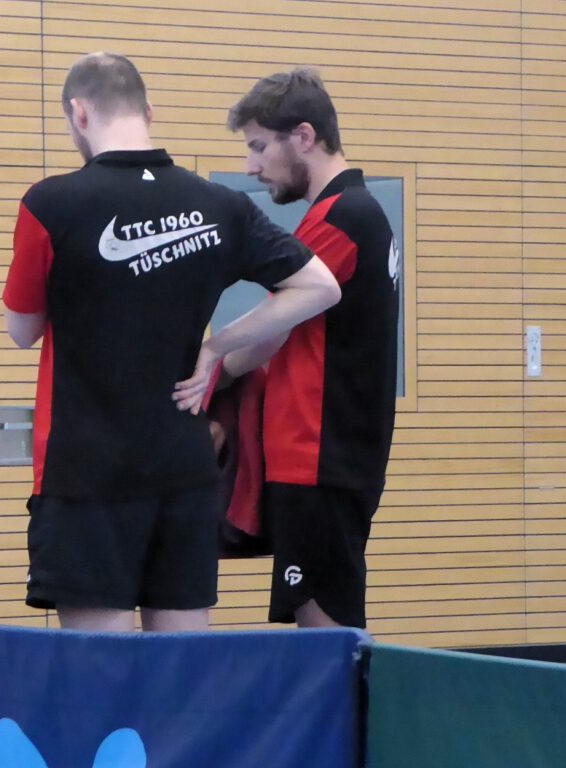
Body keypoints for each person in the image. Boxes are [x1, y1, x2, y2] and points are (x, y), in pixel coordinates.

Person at [2, 53, 340, 633]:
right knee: (180, 668)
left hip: (87, 473)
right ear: (149, 111)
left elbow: (22, 329)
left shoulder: (49, 204)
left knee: (100, 672)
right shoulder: (219, 205)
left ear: (79, 114)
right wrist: (218, 347)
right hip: (183, 472)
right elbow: (319, 286)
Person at [222, 68, 400, 630]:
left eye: (258, 147)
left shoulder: (344, 217)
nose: (251, 167)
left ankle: (347, 697)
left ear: (303, 136)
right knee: (322, 627)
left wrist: (209, 362)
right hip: (326, 460)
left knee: (326, 634)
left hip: (321, 459)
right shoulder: (348, 214)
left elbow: (271, 328)